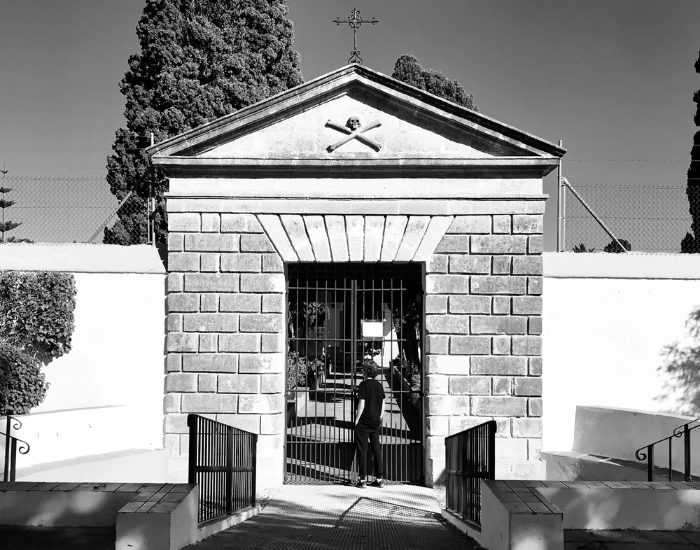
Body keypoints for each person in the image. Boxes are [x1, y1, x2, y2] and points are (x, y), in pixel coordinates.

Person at [354, 358, 385, 488]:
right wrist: (380, 416)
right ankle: (379, 478)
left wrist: (357, 419)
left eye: (362, 369)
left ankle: (362, 480)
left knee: (363, 450)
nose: (361, 371)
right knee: (376, 448)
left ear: (366, 371)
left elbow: (362, 403)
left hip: (364, 421)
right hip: (375, 421)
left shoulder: (363, 385)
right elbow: (383, 403)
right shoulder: (379, 385)